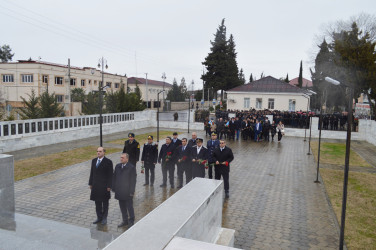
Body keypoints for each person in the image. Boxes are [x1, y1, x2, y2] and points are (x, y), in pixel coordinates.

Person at [88, 147, 113, 225]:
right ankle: (99, 217)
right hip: (95, 186)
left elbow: (110, 175)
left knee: (105, 203)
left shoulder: (108, 162)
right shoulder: (94, 161)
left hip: (104, 186)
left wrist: (109, 185)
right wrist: (90, 183)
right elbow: (92, 172)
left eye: (100, 151)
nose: (98, 153)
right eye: (97, 151)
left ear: (104, 152)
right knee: (97, 203)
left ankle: (104, 218)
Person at [112, 153, 137, 228]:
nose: (121, 159)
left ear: (127, 159)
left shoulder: (131, 167)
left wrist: (132, 191)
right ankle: (125, 220)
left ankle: (131, 220)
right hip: (119, 191)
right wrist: (114, 188)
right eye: (120, 157)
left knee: (129, 206)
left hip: (128, 191)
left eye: (122, 158)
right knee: (122, 207)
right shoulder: (117, 166)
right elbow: (114, 177)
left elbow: (133, 181)